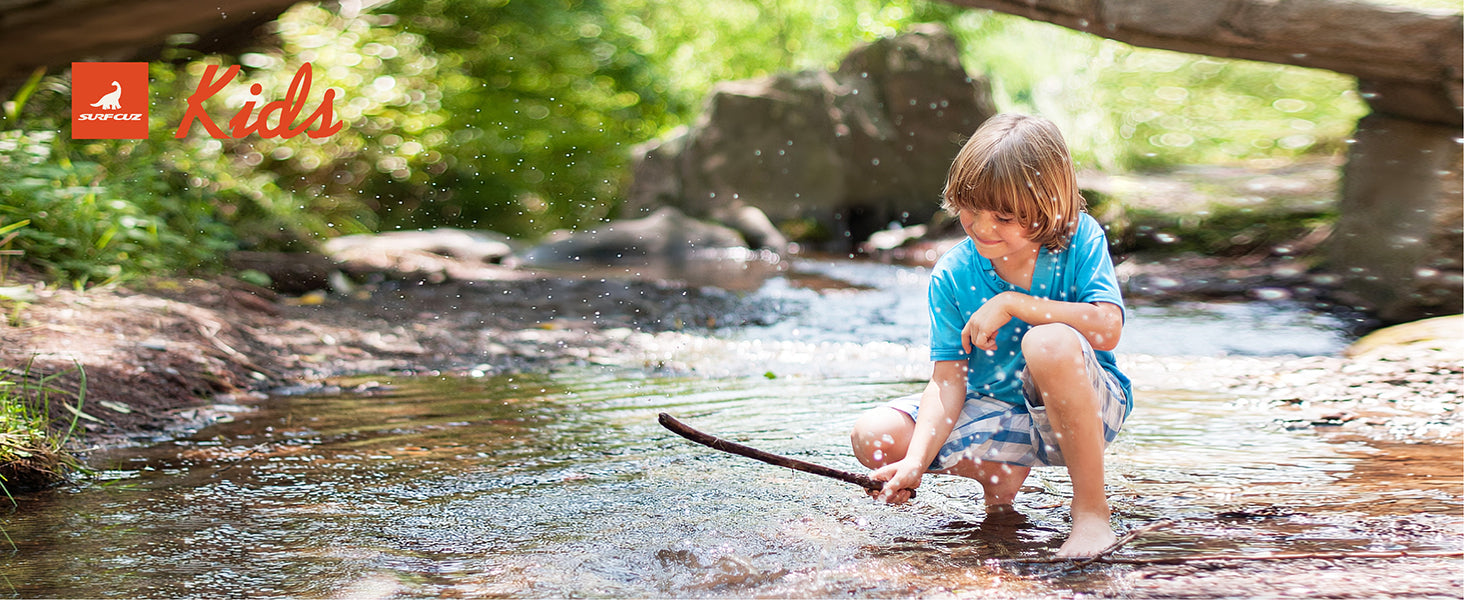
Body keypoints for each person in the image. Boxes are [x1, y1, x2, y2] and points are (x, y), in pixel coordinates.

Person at [849, 113, 1133, 558]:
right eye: (970, 210)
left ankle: (1092, 514)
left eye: (1003, 217)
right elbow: (947, 382)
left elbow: (1107, 328)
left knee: (1048, 341)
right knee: (874, 436)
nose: (982, 228)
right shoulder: (953, 273)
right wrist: (915, 465)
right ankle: (998, 474)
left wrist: (1014, 304)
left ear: (1048, 209)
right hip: (997, 414)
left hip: (1087, 408)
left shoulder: (1079, 240)